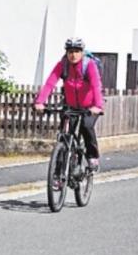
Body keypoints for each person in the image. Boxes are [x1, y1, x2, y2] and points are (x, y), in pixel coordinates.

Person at [34, 37, 103, 171]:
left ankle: (92, 156)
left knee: (86, 126)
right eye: (70, 51)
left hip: (90, 106)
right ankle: (58, 175)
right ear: (66, 52)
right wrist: (40, 102)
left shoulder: (89, 65)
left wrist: (98, 106)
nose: (73, 55)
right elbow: (49, 83)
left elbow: (96, 85)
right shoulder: (63, 65)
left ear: (82, 52)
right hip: (70, 105)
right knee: (64, 137)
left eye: (77, 51)